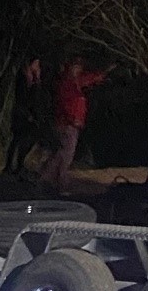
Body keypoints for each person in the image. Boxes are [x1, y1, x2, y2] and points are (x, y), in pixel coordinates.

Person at [41, 55, 106, 195]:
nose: (78, 70)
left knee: (61, 153)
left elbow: (89, 79)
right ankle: (60, 184)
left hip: (70, 123)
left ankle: (46, 178)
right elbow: (64, 104)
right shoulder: (67, 84)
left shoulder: (73, 82)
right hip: (67, 124)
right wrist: (72, 119)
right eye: (75, 67)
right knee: (66, 155)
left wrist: (104, 73)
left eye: (79, 67)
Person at [5, 56, 48, 177]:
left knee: (26, 141)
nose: (38, 67)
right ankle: (9, 166)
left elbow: (36, 97)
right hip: (21, 114)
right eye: (36, 64)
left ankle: (19, 165)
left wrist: (37, 80)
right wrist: (26, 113)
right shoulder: (22, 77)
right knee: (16, 140)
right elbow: (22, 98)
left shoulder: (33, 80)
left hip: (30, 115)